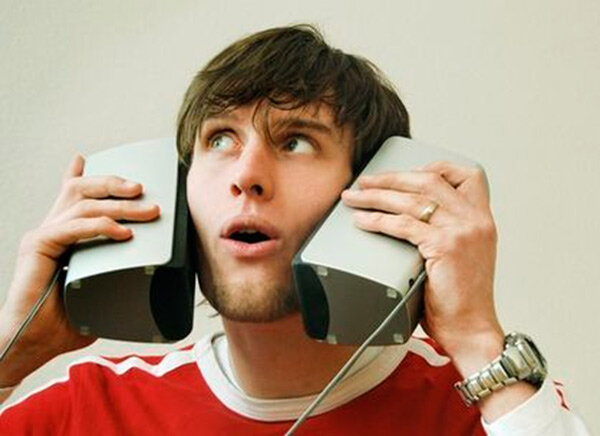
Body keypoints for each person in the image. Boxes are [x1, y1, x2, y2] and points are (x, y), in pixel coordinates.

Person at [0, 24, 589, 435]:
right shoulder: (85, 410)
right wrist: (12, 351)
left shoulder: (493, 409)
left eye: (296, 142)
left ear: (377, 189)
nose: (246, 175)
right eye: (220, 140)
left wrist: (476, 337)